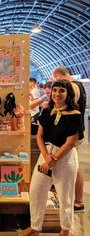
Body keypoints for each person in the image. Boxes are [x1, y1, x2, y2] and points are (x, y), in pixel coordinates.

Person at [21, 80, 82, 236]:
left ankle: (65, 230)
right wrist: (46, 157)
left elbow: (70, 143)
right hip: (46, 153)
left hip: (65, 158)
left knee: (65, 196)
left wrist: (51, 159)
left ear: (68, 94)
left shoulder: (75, 115)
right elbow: (39, 136)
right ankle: (35, 227)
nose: (57, 94)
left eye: (61, 90)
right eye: (55, 90)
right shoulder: (48, 111)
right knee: (36, 191)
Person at [53, 66, 86, 211]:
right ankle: (75, 200)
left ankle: (77, 201)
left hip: (72, 133)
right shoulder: (79, 85)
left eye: (60, 90)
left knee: (74, 166)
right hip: (73, 131)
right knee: (73, 165)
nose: (58, 93)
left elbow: (68, 107)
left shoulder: (72, 86)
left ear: (59, 76)